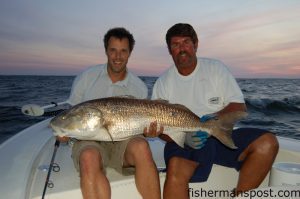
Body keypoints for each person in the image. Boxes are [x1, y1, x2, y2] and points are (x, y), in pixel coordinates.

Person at [148, 23, 279, 199]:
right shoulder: (163, 83)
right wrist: (183, 136)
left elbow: (239, 107)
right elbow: (161, 130)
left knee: (267, 143)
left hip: (218, 137)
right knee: (175, 170)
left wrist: (211, 121)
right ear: (170, 50)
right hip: (182, 141)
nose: (182, 49)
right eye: (175, 44)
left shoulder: (215, 69)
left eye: (186, 42)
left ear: (196, 44)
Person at [57, 27, 161, 199]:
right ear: (106, 51)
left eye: (123, 51)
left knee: (142, 147)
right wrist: (64, 130)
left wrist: (149, 131)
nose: (117, 57)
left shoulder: (139, 87)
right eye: (113, 50)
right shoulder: (87, 77)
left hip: (123, 140)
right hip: (88, 139)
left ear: (129, 53)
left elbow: (141, 124)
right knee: (89, 157)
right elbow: (72, 112)